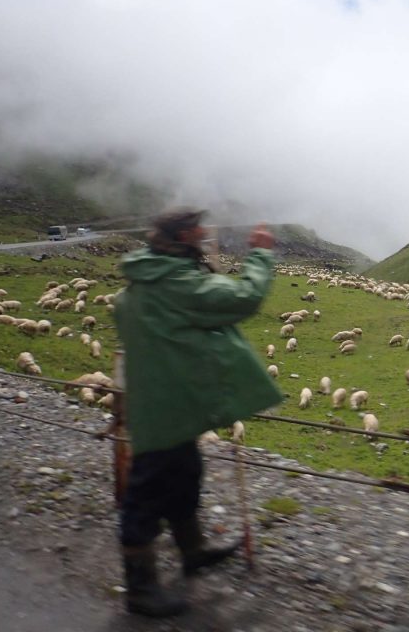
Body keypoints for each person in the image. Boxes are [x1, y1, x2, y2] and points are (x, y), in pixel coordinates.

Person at [113, 208, 282, 617]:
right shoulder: (177, 282)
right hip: (166, 406)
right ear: (186, 235)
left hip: (168, 399)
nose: (207, 236)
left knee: (185, 472)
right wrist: (260, 255)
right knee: (145, 493)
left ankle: (193, 550)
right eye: (201, 231)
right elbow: (244, 298)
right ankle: (140, 588)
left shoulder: (141, 281)